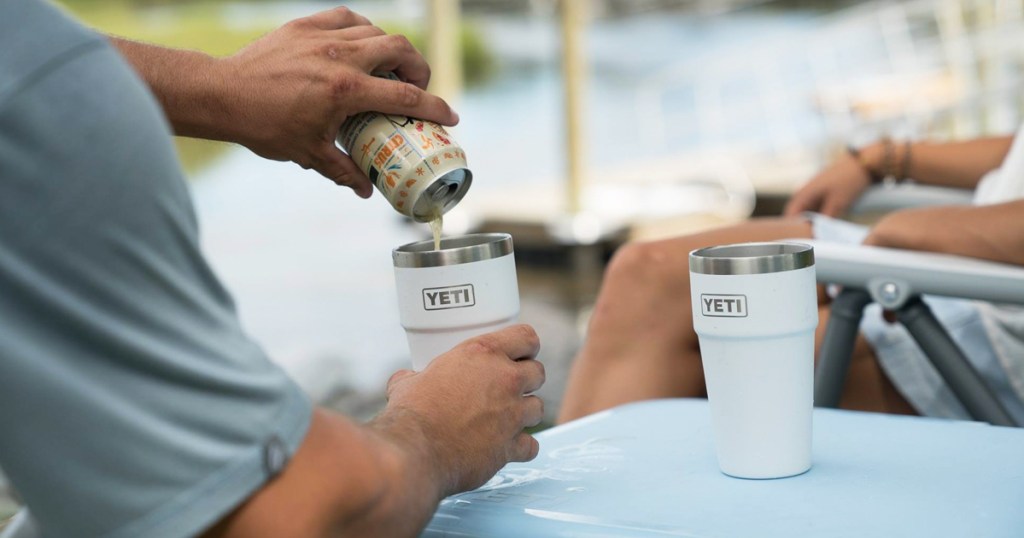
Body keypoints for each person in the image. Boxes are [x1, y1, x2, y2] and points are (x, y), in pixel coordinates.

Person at [0, 2, 544, 537]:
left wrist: (219, 87)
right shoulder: (39, 116)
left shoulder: (38, 86)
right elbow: (295, 515)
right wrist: (438, 435)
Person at [558, 131, 1024, 425]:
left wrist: (915, 232)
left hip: (995, 306)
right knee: (647, 274)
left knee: (729, 361)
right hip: (975, 245)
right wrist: (883, 159)